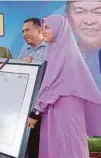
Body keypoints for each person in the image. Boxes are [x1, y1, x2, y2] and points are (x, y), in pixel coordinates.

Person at [28, 15, 101, 158]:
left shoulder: (67, 54)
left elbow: (54, 86)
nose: (43, 31)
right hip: (54, 108)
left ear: (58, 29)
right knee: (55, 146)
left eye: (47, 27)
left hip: (66, 110)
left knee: (68, 146)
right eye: (42, 27)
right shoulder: (54, 50)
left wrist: (36, 111)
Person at [65, 0, 101, 136]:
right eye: (80, 11)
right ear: (68, 18)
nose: (89, 21)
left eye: (98, 12)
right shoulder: (63, 55)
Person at [18, 17, 47, 158]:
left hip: (43, 106)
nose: (24, 34)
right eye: (23, 31)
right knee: (25, 143)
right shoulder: (25, 48)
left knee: (39, 143)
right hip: (24, 105)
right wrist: (21, 65)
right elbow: (18, 74)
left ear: (39, 29)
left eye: (28, 30)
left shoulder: (51, 49)